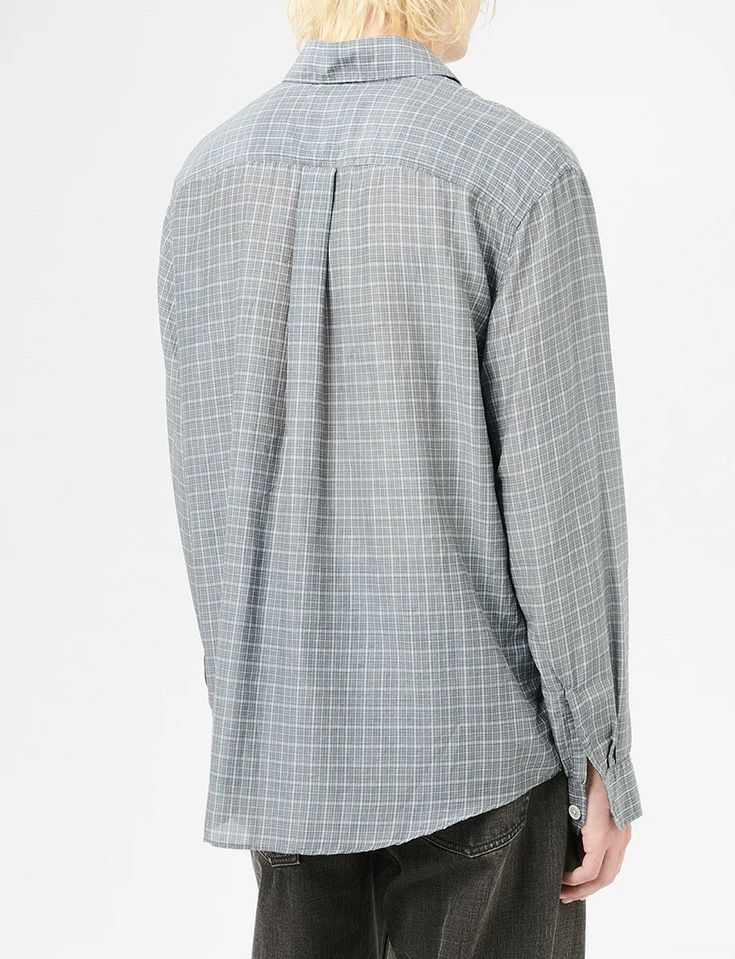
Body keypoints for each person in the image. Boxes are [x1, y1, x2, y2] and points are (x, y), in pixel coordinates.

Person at [156, 2, 643, 956]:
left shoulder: (207, 178)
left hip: (287, 752)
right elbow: (560, 500)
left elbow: (206, 495)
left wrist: (255, 704)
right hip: (480, 746)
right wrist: (601, 749)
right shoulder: (518, 172)